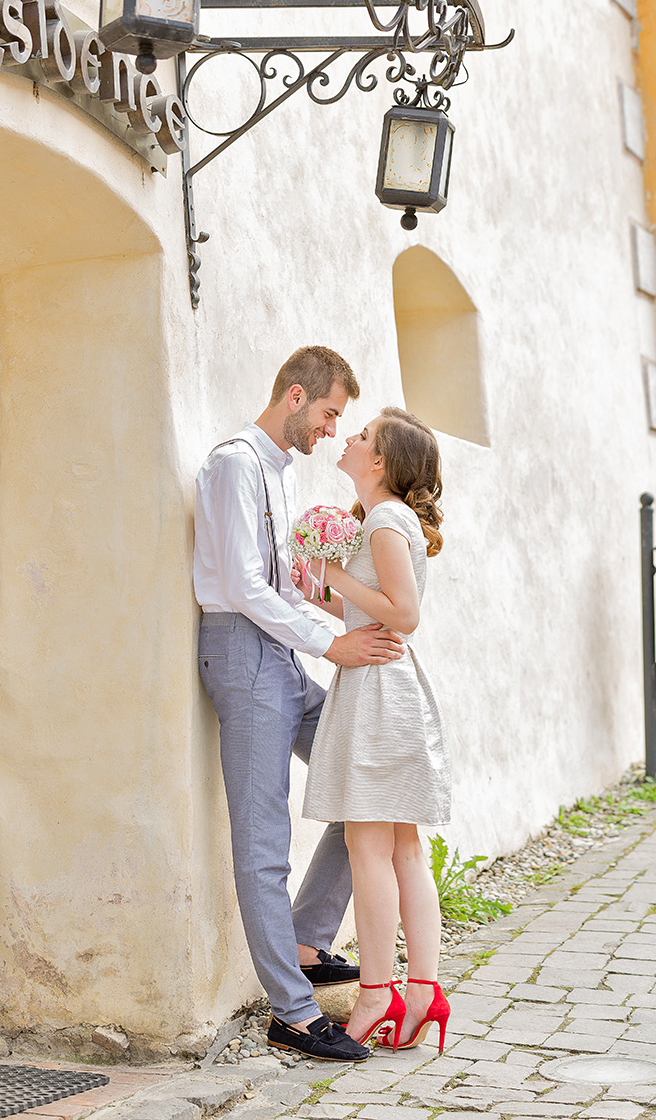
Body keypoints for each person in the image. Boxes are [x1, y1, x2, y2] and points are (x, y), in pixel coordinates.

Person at [194, 348, 405, 1063]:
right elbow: (243, 587)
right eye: (328, 414)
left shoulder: (279, 474)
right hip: (244, 655)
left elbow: (279, 589)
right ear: (294, 396)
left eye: (339, 420)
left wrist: (329, 610)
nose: (331, 430)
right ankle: (291, 1011)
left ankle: (309, 940)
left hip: (280, 653)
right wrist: (329, 645)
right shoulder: (233, 464)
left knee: (367, 778)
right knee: (262, 846)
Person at [300, 407, 452, 1054]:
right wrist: (319, 589)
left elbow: (405, 614)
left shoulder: (386, 519)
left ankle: (374, 994)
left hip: (379, 693)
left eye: (362, 436)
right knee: (403, 850)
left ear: (382, 461)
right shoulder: (384, 522)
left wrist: (331, 575)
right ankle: (422, 992)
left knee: (370, 851)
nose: (351, 438)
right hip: (389, 690)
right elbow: (369, 603)